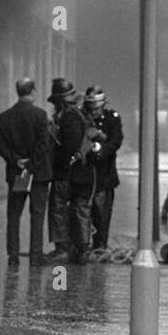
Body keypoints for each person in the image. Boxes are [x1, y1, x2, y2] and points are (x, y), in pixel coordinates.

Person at [0, 77, 52, 266]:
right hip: (38, 174)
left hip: (17, 173)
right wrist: (32, 164)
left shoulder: (5, 117)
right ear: (33, 91)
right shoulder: (41, 116)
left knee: (14, 213)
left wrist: (16, 160)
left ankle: (13, 254)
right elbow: (43, 144)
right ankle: (36, 255)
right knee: (37, 214)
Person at [45, 77, 94, 263]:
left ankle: (63, 249)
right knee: (80, 211)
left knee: (59, 210)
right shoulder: (79, 115)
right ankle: (81, 250)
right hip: (81, 174)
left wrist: (58, 162)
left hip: (67, 174)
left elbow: (69, 146)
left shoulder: (69, 117)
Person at [82, 86, 123, 250]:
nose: (94, 112)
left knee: (102, 213)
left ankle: (100, 245)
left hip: (104, 174)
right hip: (85, 173)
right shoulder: (82, 118)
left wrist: (101, 150)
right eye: (92, 108)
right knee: (85, 212)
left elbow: (116, 141)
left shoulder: (112, 118)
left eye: (97, 108)